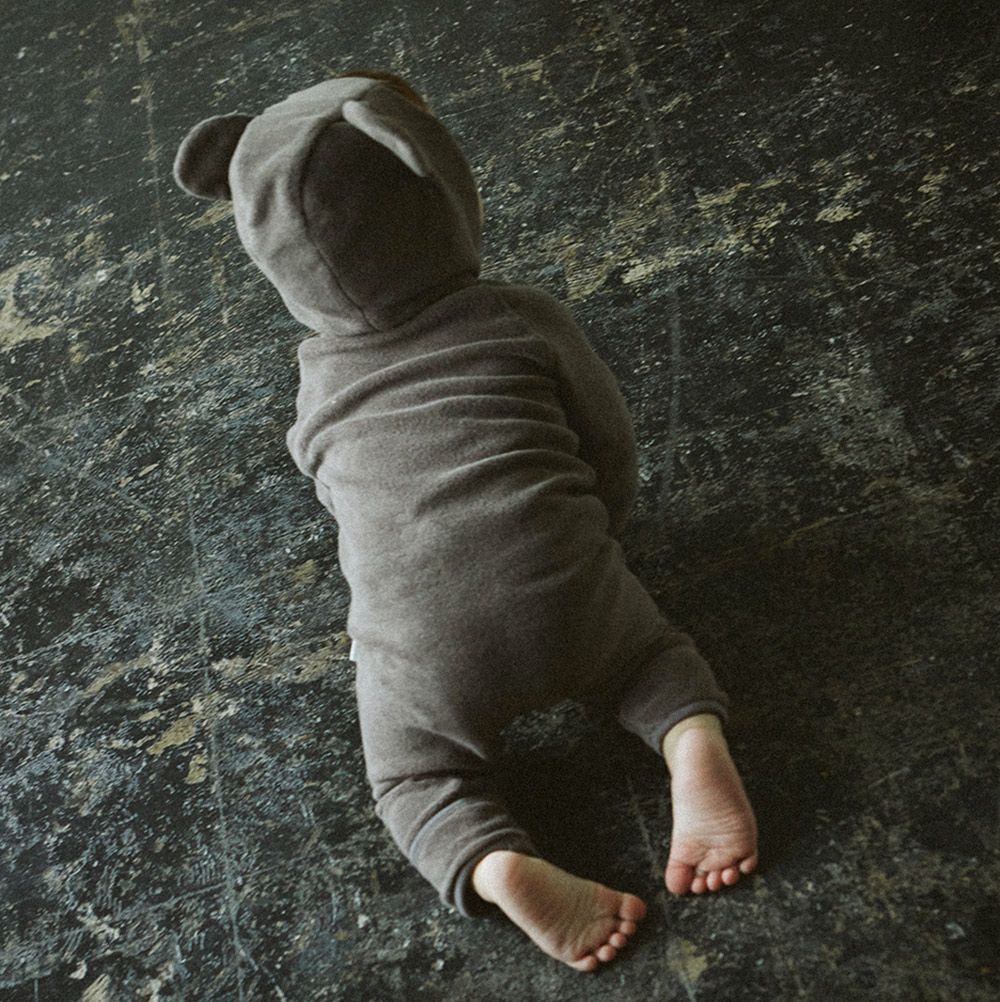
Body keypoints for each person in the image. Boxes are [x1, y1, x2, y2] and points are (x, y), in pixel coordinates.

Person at [173, 69, 758, 972]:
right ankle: (691, 744)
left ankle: (495, 864)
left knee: (415, 780)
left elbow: (341, 503)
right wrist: (599, 536)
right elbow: (606, 440)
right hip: (568, 584)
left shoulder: (318, 385)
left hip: (422, 644)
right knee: (647, 658)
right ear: (438, 186)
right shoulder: (519, 317)